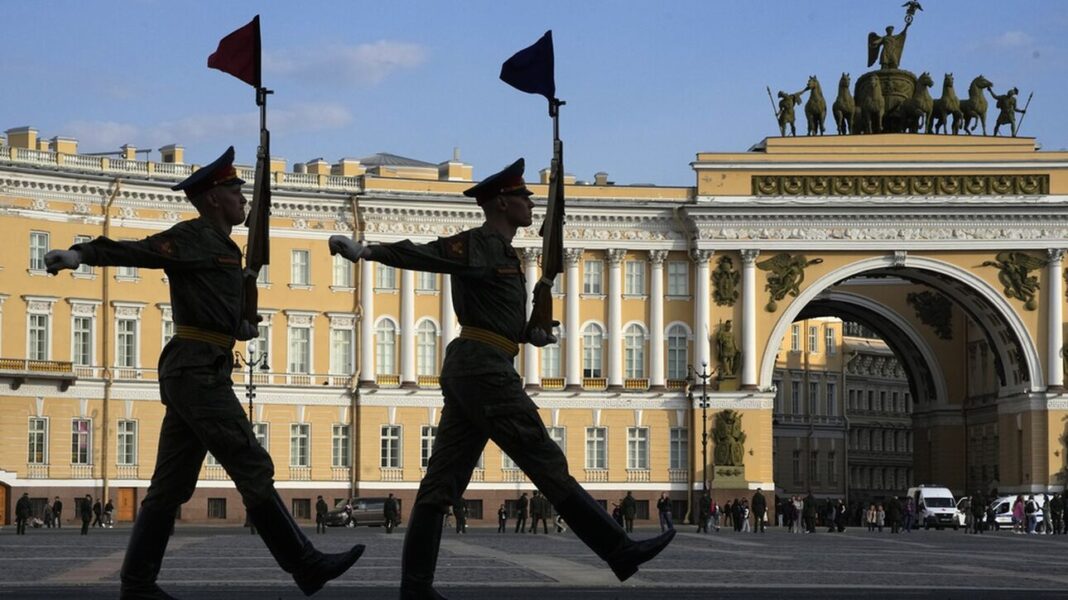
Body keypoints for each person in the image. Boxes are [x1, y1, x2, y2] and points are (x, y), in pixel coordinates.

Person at [329, 158, 675, 598]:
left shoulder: (506, 253)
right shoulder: (481, 244)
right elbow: (429, 254)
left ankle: (415, 588)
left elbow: (503, 325)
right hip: (484, 370)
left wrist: (533, 333)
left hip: (481, 364)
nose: (529, 202)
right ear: (500, 203)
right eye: (522, 197)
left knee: (440, 486)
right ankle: (618, 549)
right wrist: (368, 251)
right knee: (543, 459)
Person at [45, 147, 363, 598]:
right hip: (196, 370)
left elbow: (225, 315)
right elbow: (142, 250)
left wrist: (243, 324)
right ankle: (305, 564)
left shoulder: (228, 249)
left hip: (203, 366)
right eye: (235, 189)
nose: (242, 197)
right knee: (250, 463)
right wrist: (81, 254)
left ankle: (137, 585)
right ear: (213, 197)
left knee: (169, 486)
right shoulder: (193, 237)